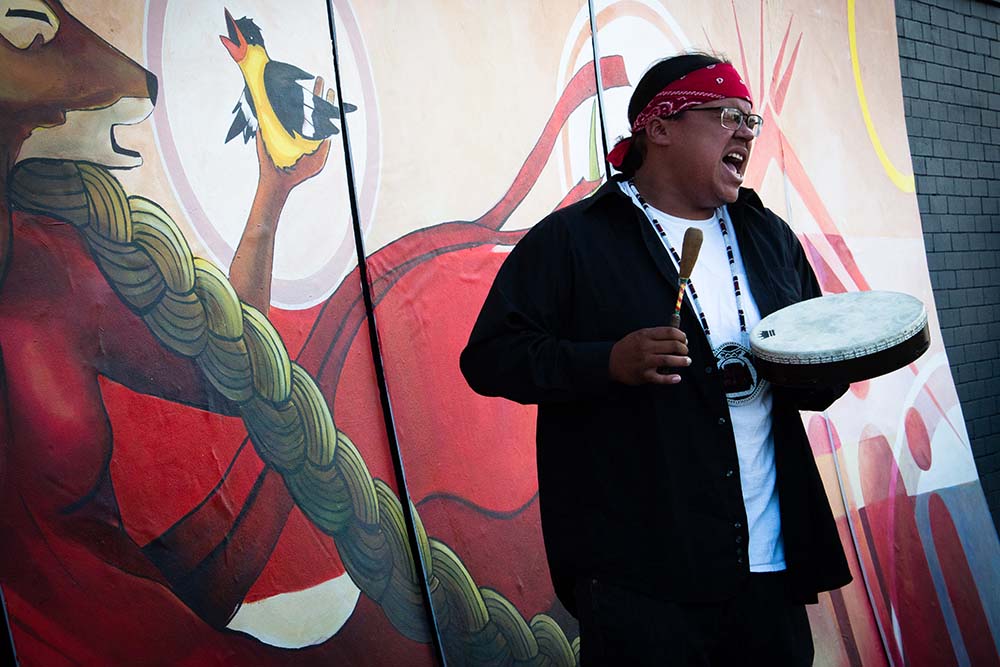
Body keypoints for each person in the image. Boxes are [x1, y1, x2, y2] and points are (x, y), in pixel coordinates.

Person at [460, 53, 852, 665]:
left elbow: (813, 373)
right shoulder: (574, 240)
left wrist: (837, 362)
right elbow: (489, 358)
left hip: (769, 569)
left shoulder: (770, 236)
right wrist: (605, 362)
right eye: (727, 116)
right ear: (660, 127)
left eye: (750, 120)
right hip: (639, 582)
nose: (746, 133)